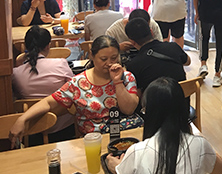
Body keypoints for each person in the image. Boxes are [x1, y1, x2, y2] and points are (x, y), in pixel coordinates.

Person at [111, 77, 222, 174]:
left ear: (150, 113)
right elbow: (220, 170)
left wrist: (120, 169)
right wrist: (197, 136)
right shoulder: (199, 145)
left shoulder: (136, 152)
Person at [9, 35, 139, 141]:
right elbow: (48, 102)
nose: (109, 63)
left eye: (114, 58)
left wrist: (117, 82)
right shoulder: (78, 82)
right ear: (92, 56)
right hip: (93, 140)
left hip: (125, 136)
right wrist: (22, 119)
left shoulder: (127, 77)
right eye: (103, 59)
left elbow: (128, 110)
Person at [12, 25, 75, 141]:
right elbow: (75, 89)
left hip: (32, 132)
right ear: (48, 45)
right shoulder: (60, 64)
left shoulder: (16, 73)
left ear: (25, 46)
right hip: (64, 129)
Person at [124, 18, 189, 94]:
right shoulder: (174, 47)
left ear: (132, 42)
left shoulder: (133, 65)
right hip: (182, 98)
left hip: (154, 101)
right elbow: (188, 62)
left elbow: (137, 94)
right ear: (151, 32)